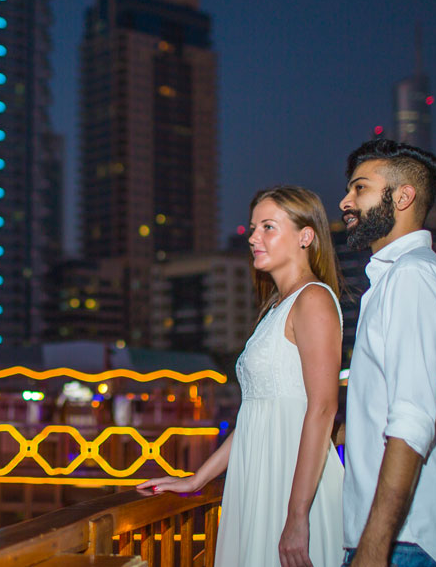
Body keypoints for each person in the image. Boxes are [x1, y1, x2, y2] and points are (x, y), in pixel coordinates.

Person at [139, 186, 345, 567]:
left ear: (305, 236)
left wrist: (297, 515)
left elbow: (322, 409)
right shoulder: (276, 309)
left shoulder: (313, 299)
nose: (253, 238)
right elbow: (256, 414)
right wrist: (197, 479)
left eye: (268, 227)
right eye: (253, 228)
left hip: (293, 481)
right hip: (259, 476)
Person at [338, 139, 436, 567]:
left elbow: (413, 421)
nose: (345, 201)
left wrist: (375, 544)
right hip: (403, 542)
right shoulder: (398, 279)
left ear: (403, 196)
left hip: (407, 543)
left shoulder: (412, 277)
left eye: (359, 188)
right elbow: (383, 417)